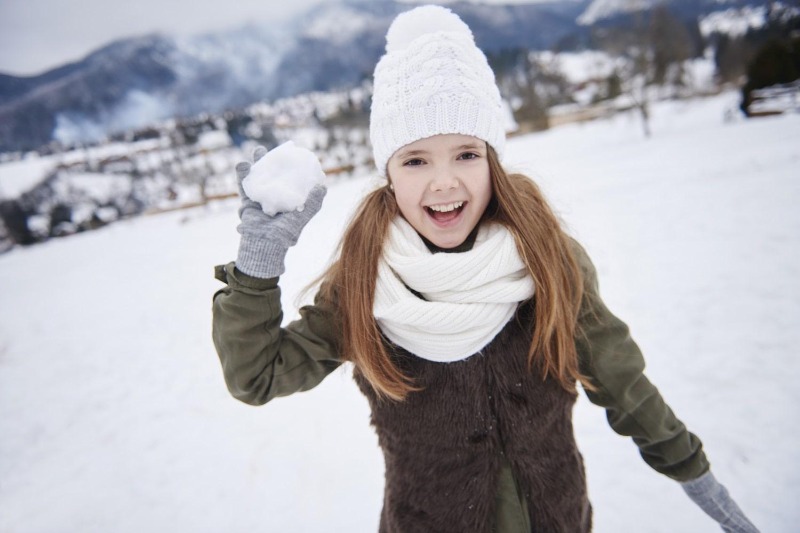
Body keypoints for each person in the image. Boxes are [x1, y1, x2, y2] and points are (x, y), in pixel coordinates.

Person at [212, 5, 759, 532]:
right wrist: (258, 267)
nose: (444, 181)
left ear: (493, 159)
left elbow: (622, 382)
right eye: (416, 160)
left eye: (466, 154)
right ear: (389, 174)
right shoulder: (365, 283)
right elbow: (256, 377)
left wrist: (696, 475)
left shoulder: (547, 259)